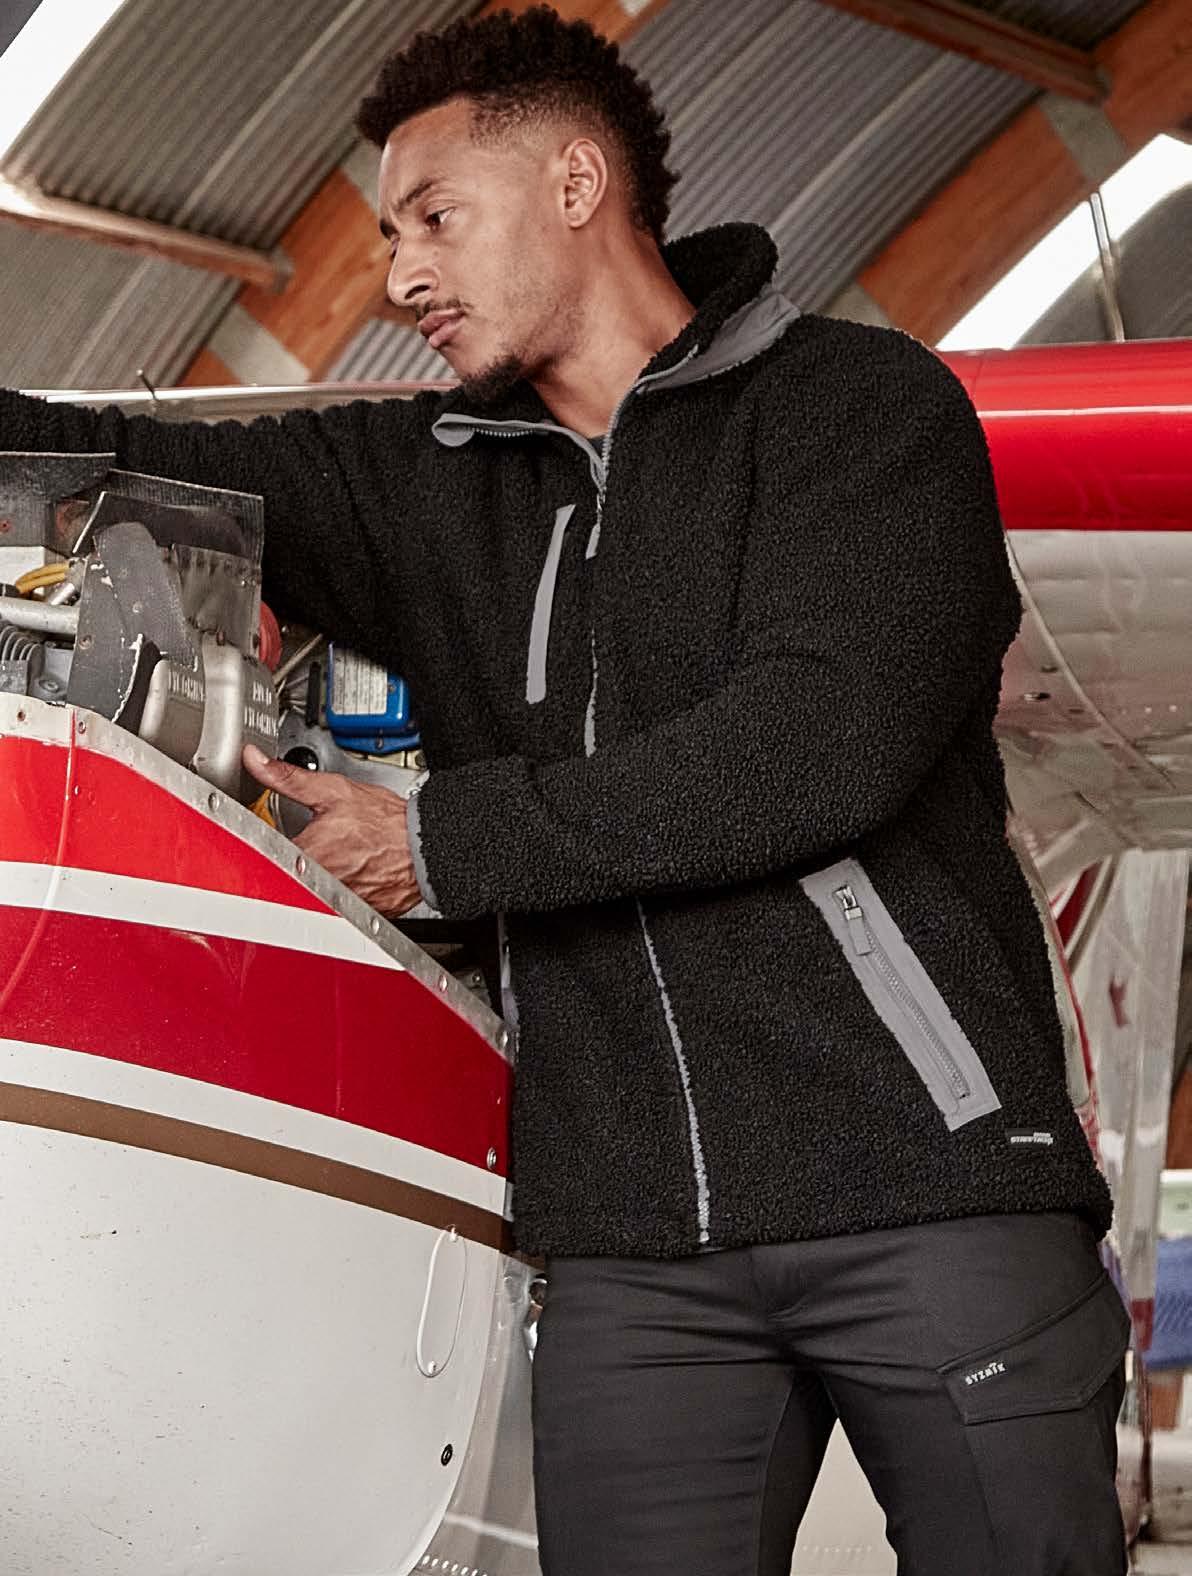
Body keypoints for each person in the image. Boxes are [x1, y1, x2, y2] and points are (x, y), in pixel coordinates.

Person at [1, 8, 1129, 1571]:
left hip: (927, 1197)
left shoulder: (862, 412)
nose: (398, 276)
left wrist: (441, 844)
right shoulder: (422, 478)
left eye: (433, 218)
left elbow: (814, 746)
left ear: (579, 183)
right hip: (632, 1254)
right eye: (385, 237)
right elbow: (92, 454)